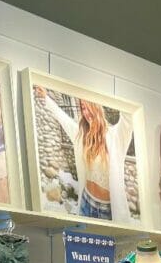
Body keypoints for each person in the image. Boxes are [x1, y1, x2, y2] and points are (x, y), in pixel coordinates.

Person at [34, 85, 134, 222]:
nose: (86, 113)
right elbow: (64, 119)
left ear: (96, 107)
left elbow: (128, 117)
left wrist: (118, 89)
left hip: (107, 211)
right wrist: (46, 98)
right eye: (83, 108)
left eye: (88, 107)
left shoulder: (116, 136)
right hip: (85, 204)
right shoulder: (82, 136)